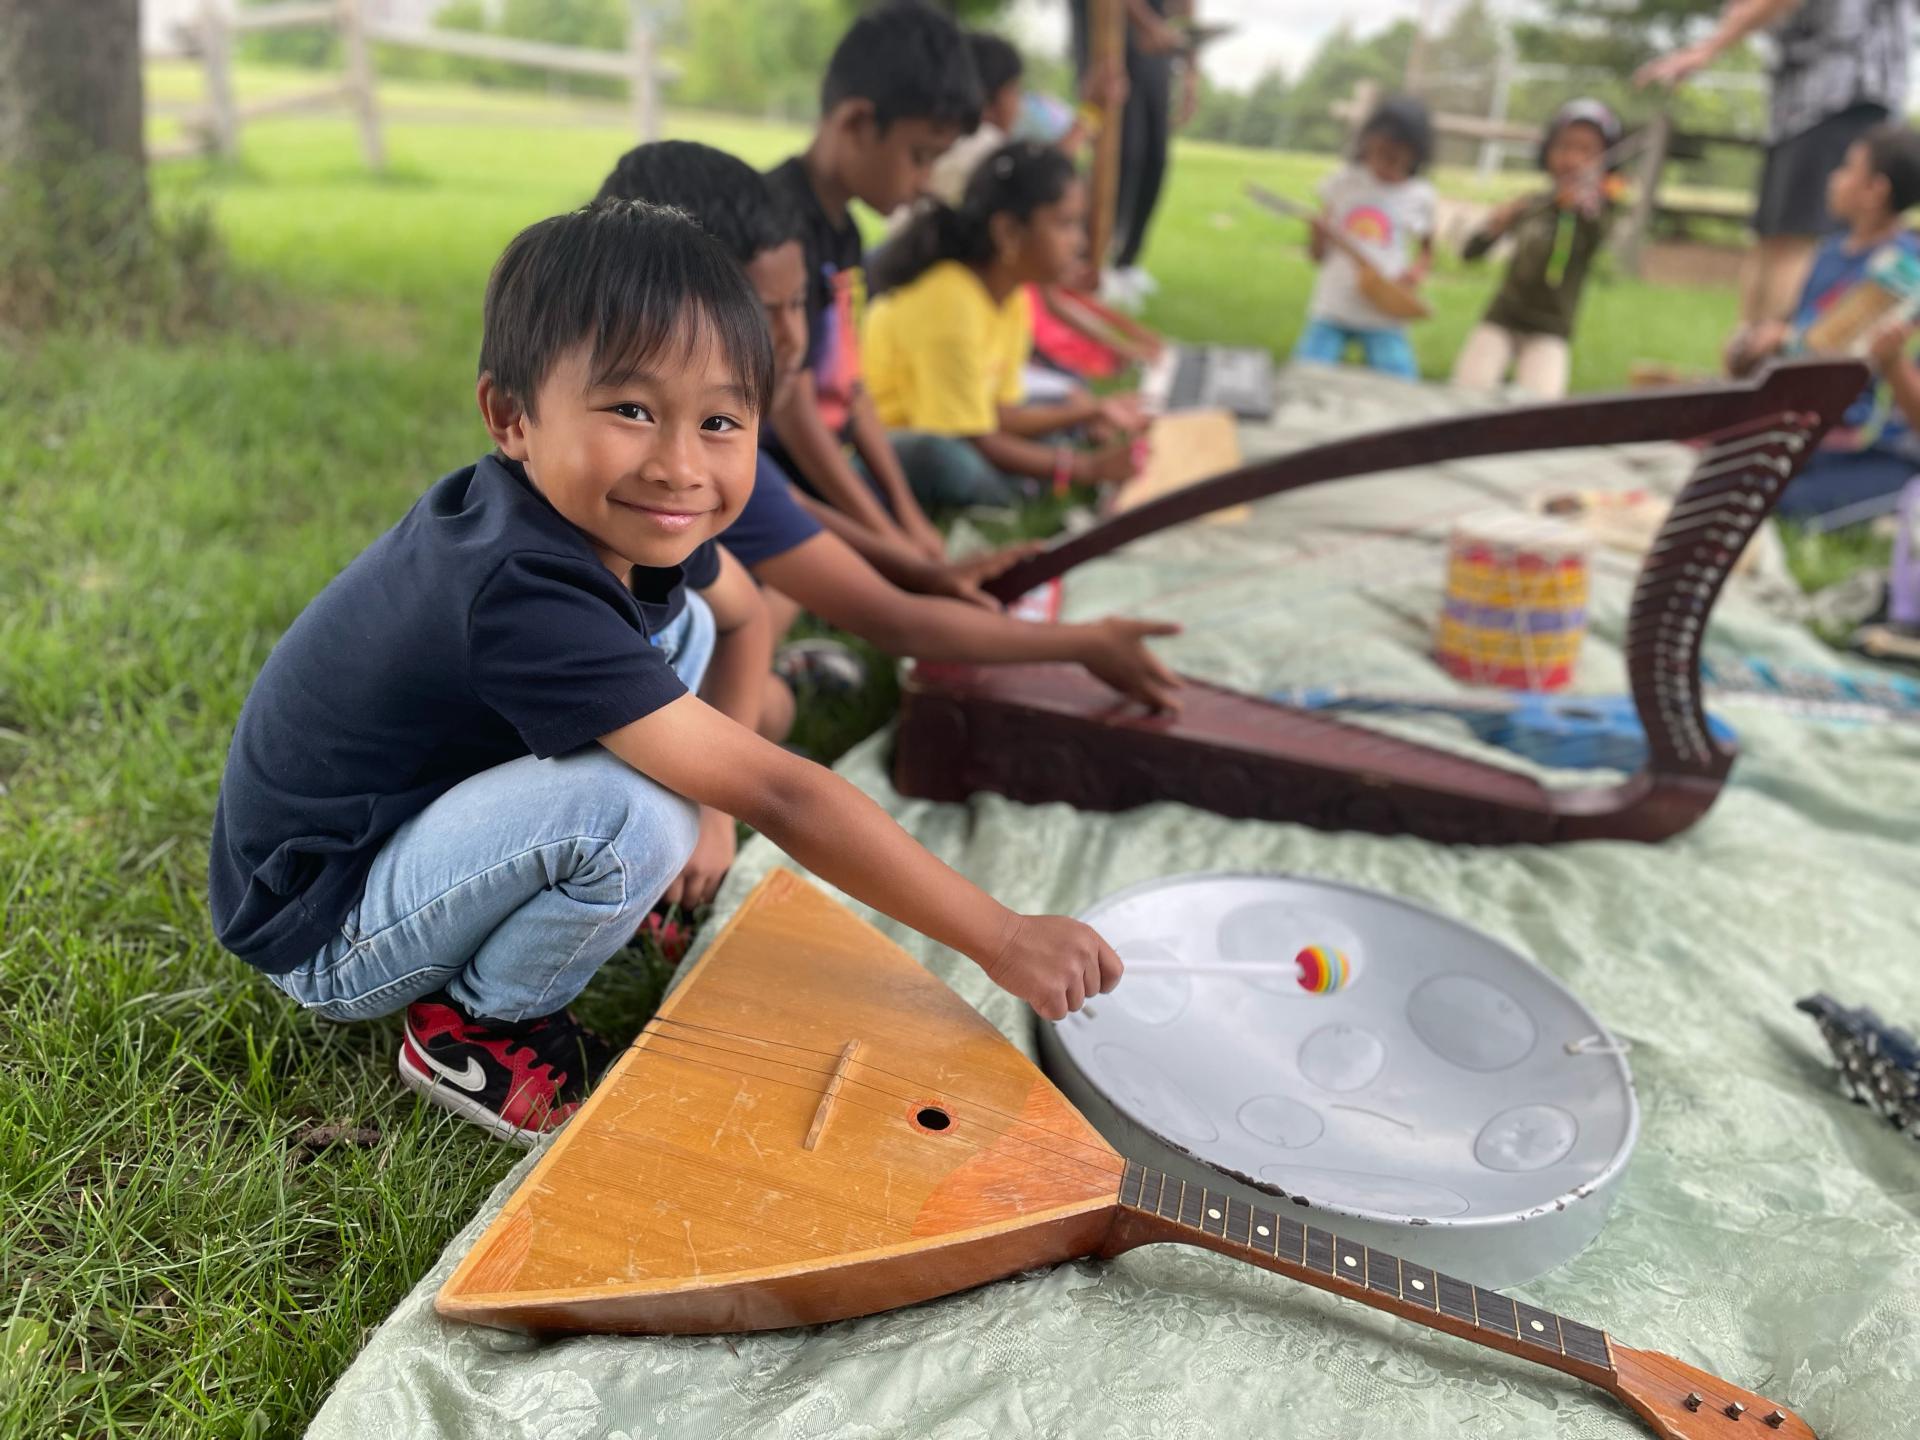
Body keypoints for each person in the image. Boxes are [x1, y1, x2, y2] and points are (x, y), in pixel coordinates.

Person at [207, 201, 1126, 1148]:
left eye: (720, 420)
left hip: (399, 826)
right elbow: (783, 788)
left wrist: (716, 818)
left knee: (677, 639)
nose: (681, 465)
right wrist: (1003, 937)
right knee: (639, 813)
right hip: (325, 927)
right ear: (510, 417)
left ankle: (567, 905)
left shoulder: (617, 524)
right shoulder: (523, 588)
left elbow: (733, 616)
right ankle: (478, 1028)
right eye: (632, 410)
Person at [596, 138, 1183, 740]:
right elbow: (894, 622)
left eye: (799, 305)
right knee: (757, 701)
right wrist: (1083, 643)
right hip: (603, 717)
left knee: (764, 682)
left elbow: (797, 515)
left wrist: (921, 572)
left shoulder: (709, 452)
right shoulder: (652, 471)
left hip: (650, 674)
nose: (794, 336)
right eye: (766, 310)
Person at [762, 2, 979, 564]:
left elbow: (850, 386)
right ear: (858, 123)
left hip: (837, 462)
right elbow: (794, 405)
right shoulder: (775, 229)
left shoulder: (849, 235)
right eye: (920, 156)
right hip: (778, 474)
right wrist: (884, 531)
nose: (926, 182)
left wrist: (902, 516)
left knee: (928, 485)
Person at [865, 141, 1147, 511]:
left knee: (1061, 409)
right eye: (1065, 224)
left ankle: (1037, 473)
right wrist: (1086, 468)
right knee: (948, 462)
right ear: (1008, 232)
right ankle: (1027, 484)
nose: (1079, 243)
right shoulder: (950, 301)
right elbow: (973, 438)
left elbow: (1000, 415)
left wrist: (1092, 410)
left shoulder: (1012, 296)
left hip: (967, 430)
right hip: (902, 445)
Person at [1637, 0, 1910, 357]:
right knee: (1770, 241)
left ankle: (1782, 379)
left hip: (1841, 91)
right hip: (1799, 106)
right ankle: (1746, 378)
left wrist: (1708, 48)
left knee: (1794, 242)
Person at [1736, 126, 1920, 526]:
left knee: (1780, 502)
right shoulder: (1830, 251)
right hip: (1796, 417)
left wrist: (1783, 340)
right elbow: (1799, 328)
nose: (1833, 177)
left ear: (1875, 190)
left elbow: (1838, 346)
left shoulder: (1906, 269)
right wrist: (1755, 345)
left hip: (1855, 437)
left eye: (1847, 168)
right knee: (1728, 472)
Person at [1452, 100, 1623, 400]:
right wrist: (1495, 226)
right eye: (1565, 147)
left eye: (1587, 151)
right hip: (1503, 318)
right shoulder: (1532, 205)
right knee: (1465, 396)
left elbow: (1600, 234)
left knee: (1539, 411)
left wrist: (1588, 203)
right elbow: (1471, 253)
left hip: (1550, 329)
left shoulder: (1596, 212)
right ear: (1548, 151)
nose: (1573, 159)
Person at [1068, 0, 1202, 304]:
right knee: (1122, 153)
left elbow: (1186, 5)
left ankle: (1126, 263)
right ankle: (1087, 262)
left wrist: (1191, 71)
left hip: (1156, 44)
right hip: (1109, 28)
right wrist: (1148, 25)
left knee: (1155, 159)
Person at [1293, 96, 1436, 380]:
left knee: (1403, 386)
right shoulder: (1343, 183)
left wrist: (1415, 273)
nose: (1385, 164)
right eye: (1379, 153)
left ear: (1415, 154)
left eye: (1395, 158)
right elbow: (1317, 257)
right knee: (1305, 377)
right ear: (1366, 144)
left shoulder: (1420, 195)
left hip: (1383, 310)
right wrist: (1317, 235)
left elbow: (1427, 251)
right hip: (1333, 307)